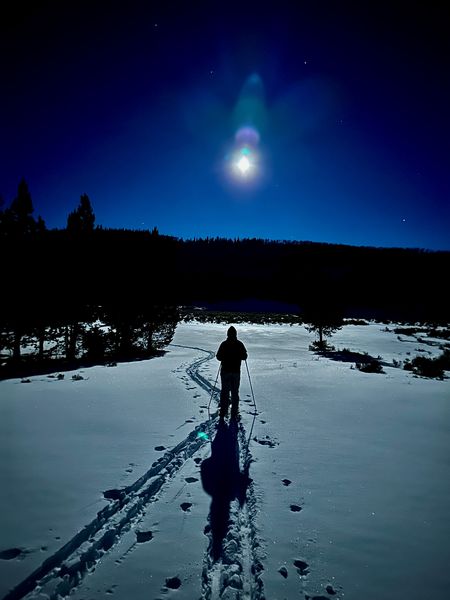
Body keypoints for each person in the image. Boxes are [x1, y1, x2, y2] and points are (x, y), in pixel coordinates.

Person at [216, 326, 248, 419]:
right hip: (236, 372)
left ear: (227, 334)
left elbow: (218, 357)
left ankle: (223, 412)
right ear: (235, 334)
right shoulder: (239, 344)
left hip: (225, 371)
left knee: (225, 392)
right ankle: (234, 412)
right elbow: (244, 356)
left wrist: (224, 357)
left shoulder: (224, 344)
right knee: (235, 392)